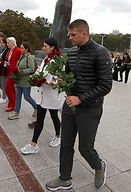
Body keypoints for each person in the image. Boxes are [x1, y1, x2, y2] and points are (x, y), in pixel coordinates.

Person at [46, 19, 112, 191]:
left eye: (73, 34)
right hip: (70, 105)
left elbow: (106, 85)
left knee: (85, 148)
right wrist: (63, 80)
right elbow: (69, 74)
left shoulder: (101, 52)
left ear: (85, 33)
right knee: (66, 144)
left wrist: (81, 99)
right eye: (69, 34)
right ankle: (64, 179)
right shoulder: (72, 52)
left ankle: (99, 166)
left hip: (90, 108)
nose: (70, 37)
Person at [20, 38, 64, 154]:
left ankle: (57, 136)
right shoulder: (46, 59)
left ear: (52, 48)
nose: (43, 48)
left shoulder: (59, 61)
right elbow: (40, 71)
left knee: (54, 115)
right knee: (40, 119)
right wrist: (34, 77)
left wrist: (51, 82)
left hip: (52, 94)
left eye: (45, 46)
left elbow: (61, 78)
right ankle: (33, 144)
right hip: (43, 94)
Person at [8, 41, 38, 120]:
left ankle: (36, 107)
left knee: (27, 97)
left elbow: (31, 69)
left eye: (22, 48)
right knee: (18, 97)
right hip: (19, 80)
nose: (20, 49)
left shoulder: (29, 57)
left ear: (27, 49)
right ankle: (16, 112)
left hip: (26, 80)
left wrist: (21, 72)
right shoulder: (22, 57)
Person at [4, 37, 21, 112]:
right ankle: (12, 103)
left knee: (7, 87)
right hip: (9, 71)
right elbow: (8, 60)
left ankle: (11, 104)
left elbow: (20, 59)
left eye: (8, 42)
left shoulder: (17, 50)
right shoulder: (10, 50)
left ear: (12, 42)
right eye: (7, 43)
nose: (7, 44)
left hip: (13, 72)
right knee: (11, 88)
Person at [0, 39, 9, 104]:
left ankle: (4, 97)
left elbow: (8, 61)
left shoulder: (8, 51)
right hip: (1, 68)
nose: (2, 44)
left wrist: (2, 62)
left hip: (5, 69)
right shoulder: (4, 50)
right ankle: (4, 95)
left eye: (3, 43)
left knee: (3, 84)